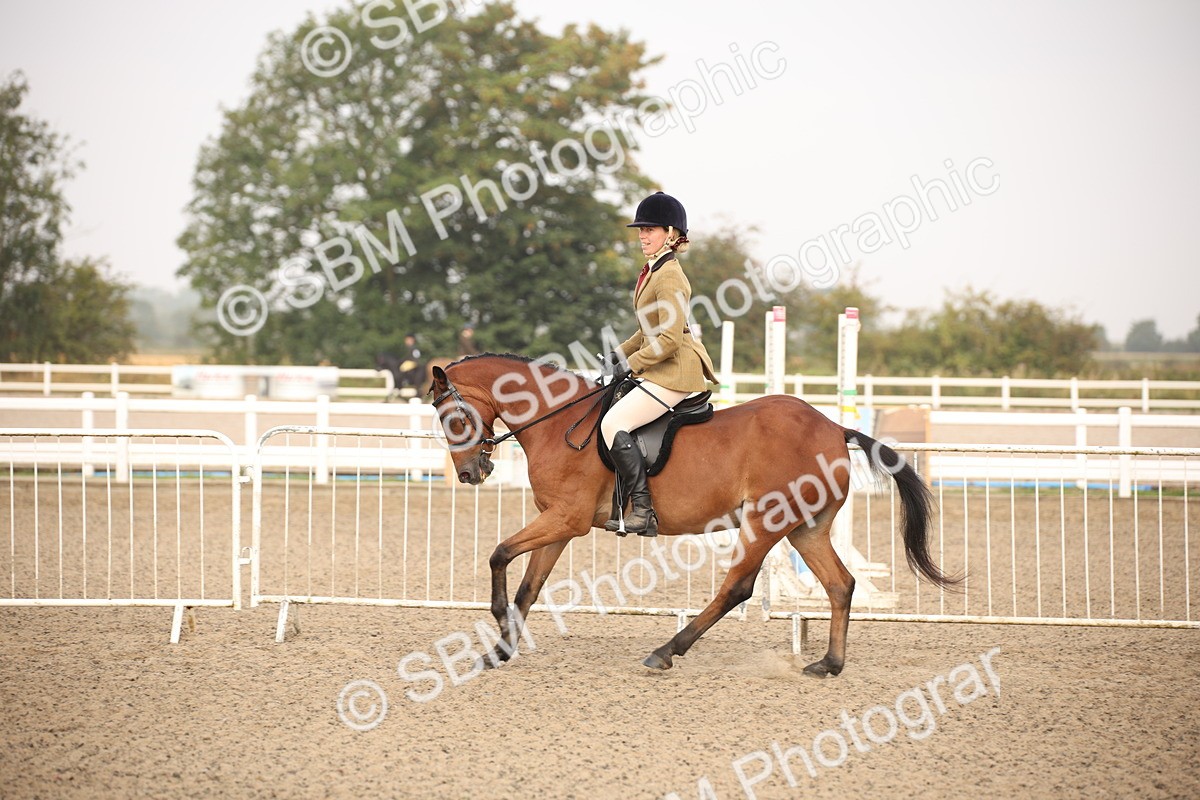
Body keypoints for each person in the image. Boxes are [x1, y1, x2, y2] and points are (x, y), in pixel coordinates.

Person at [601, 191, 717, 536]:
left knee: (613, 423)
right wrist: (617, 356)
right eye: (640, 230)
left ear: (670, 233)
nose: (642, 236)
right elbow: (645, 329)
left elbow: (667, 340)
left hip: (675, 372)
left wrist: (630, 364)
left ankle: (643, 509)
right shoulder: (654, 270)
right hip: (661, 367)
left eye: (649, 229)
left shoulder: (669, 276)